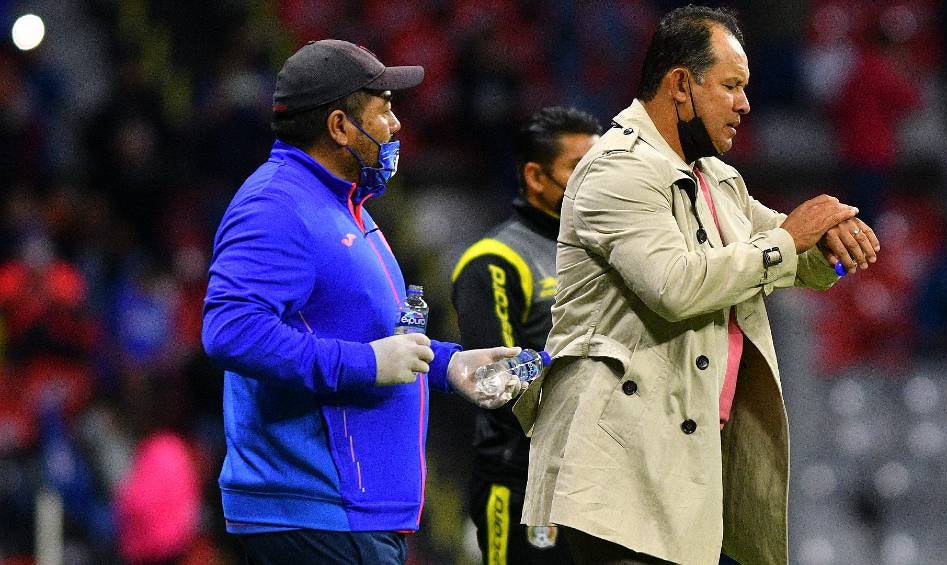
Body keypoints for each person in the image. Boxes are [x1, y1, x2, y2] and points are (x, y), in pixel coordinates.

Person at [513, 6, 881, 565]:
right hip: (617, 471)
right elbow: (678, 285)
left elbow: (780, 253)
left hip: (678, 465)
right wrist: (791, 238)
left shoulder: (715, 179)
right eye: (731, 86)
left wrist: (830, 245)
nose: (745, 104)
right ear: (681, 85)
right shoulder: (617, 169)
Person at [201, 40, 525, 565]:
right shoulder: (277, 204)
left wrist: (448, 365)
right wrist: (367, 363)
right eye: (384, 109)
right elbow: (231, 331)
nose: (396, 124)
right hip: (316, 508)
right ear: (339, 126)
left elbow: (372, 332)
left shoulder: (346, 207)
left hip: (350, 511)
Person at [451, 106, 602, 565]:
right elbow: (489, 380)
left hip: (602, 486)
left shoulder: (607, 251)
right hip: (522, 486)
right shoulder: (494, 261)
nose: (593, 184)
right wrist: (566, 356)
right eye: (578, 170)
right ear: (536, 177)